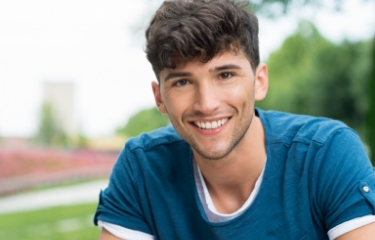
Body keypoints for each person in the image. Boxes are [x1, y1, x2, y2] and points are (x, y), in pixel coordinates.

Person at [94, 0, 375, 239]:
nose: (207, 104)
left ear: (259, 81)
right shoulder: (141, 168)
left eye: (225, 75)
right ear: (159, 97)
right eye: (182, 82)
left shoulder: (326, 153)